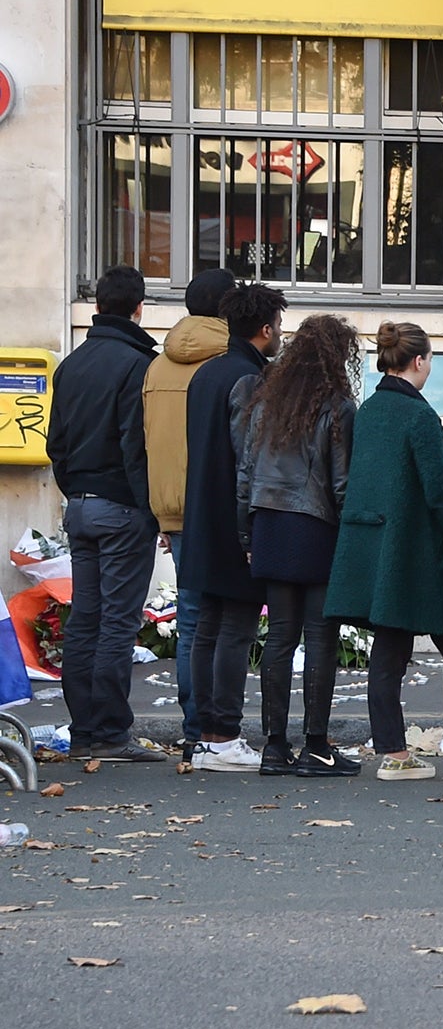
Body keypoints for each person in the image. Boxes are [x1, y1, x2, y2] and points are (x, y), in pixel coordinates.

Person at [326, 323, 443, 784]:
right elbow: (441, 492)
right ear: (419, 362)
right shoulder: (420, 418)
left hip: (379, 553)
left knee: (389, 651)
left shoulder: (369, 410)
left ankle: (394, 754)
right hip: (423, 554)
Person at [234, 315, 359, 778]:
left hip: (269, 524)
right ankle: (316, 745)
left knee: (280, 638)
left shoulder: (265, 404)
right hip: (315, 527)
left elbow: (244, 475)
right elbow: (342, 484)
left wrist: (247, 534)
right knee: (320, 639)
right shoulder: (336, 406)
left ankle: (273, 745)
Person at [47, 266, 162, 764]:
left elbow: (56, 444)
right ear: (138, 308)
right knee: (117, 622)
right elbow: (136, 445)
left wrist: (75, 491)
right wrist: (147, 507)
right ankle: (111, 733)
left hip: (82, 507)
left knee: (85, 620)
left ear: (97, 305)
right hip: (122, 507)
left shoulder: (72, 365)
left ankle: (84, 731)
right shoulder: (137, 365)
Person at [181, 282, 286, 772]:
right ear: (266, 329)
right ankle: (223, 734)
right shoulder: (249, 379)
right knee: (236, 628)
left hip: (202, 512)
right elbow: (249, 461)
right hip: (234, 518)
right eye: (279, 326)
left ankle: (206, 734)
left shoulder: (205, 375)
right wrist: (251, 533)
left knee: (207, 626)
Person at [142, 267, 236, 753]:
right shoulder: (227, 361)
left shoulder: (158, 365)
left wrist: (161, 512)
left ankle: (195, 728)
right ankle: (219, 729)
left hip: (173, 508)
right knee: (228, 619)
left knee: (194, 618)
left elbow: (147, 441)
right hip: (217, 505)